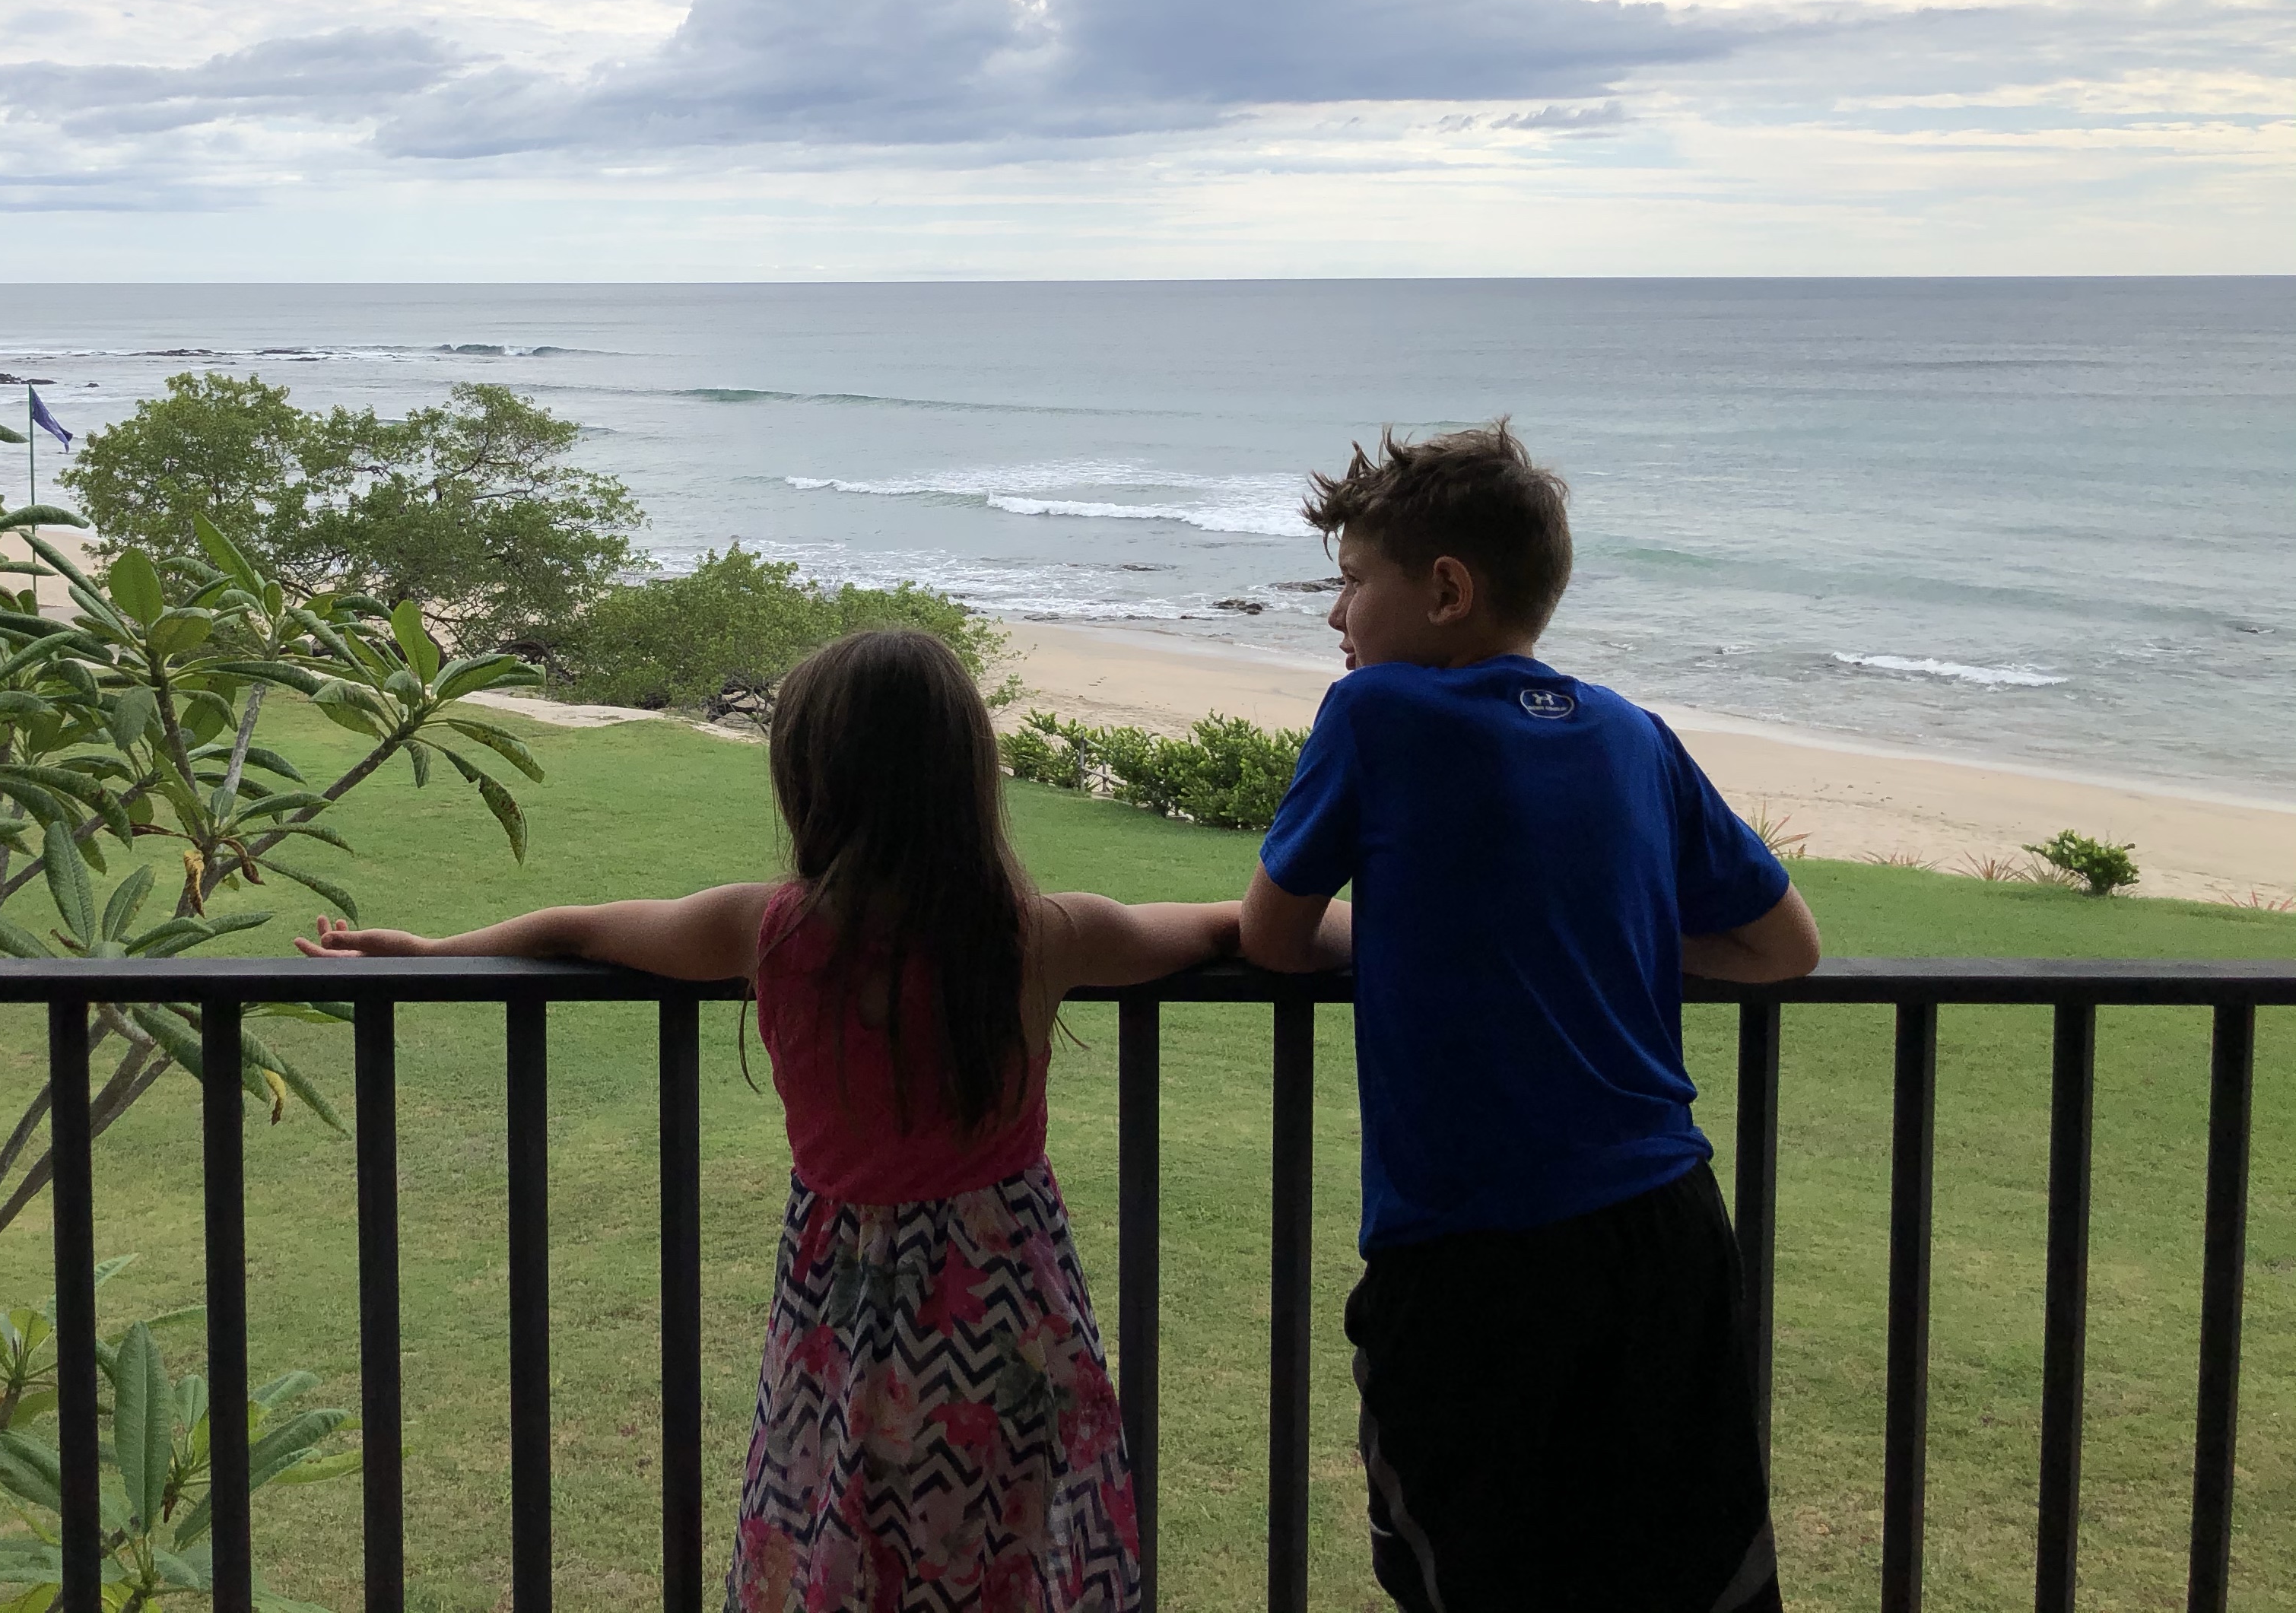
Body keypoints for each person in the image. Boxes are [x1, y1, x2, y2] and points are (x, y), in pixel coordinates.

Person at [302, 626, 1240, 1611]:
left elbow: (583, 928)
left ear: (811, 781)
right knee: (1017, 1548)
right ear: (967, 777)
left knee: (836, 1530)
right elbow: (1226, 925)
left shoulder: (772, 932)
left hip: (842, 1306)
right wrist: (1349, 926)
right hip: (1007, 1312)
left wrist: (437, 948)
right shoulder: (1043, 935)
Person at [1239, 423, 1819, 1613]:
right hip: (1667, 1230)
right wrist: (1593, 931)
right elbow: (1783, 947)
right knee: (1690, 1580)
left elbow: (1274, 937)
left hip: (1476, 1256)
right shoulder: (1631, 731)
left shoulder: (1375, 714)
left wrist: (1412, 939)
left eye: (1354, 582)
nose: (1336, 617)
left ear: (1447, 590)